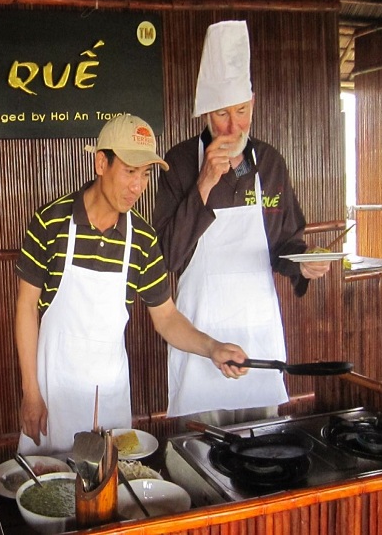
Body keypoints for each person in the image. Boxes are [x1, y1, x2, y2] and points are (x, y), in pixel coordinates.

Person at [15, 113, 249, 456]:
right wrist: (31, 393)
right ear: (101, 163)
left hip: (110, 400)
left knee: (111, 493)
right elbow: (25, 308)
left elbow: (166, 317)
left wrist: (213, 348)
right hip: (53, 397)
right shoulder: (51, 222)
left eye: (144, 174)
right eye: (129, 171)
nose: (137, 186)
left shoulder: (141, 238)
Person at [153, 21, 331, 427]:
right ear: (203, 113)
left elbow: (286, 242)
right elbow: (165, 256)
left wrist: (303, 263)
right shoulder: (179, 163)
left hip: (257, 333)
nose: (232, 127)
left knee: (264, 446)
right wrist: (204, 184)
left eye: (241, 112)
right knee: (200, 452)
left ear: (253, 103)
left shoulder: (269, 163)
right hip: (198, 334)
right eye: (221, 114)